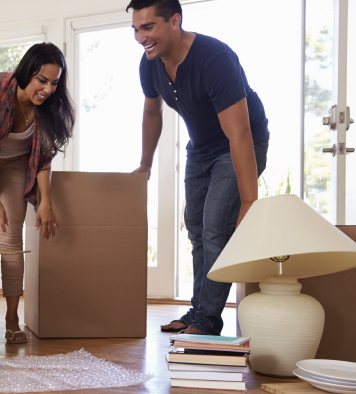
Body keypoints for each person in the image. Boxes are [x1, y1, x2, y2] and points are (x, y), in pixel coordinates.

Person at [127, 0, 269, 335]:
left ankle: (208, 320)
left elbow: (241, 132)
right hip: (201, 148)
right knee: (195, 228)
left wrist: (249, 202)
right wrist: (144, 165)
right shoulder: (150, 64)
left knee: (216, 227)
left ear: (175, 21)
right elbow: (151, 113)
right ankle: (197, 311)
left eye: (148, 27)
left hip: (241, 144)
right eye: (135, 29)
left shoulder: (214, 59)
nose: (140, 37)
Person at [0, 43, 75, 344]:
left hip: (15, 165)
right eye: (41, 80)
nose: (48, 89)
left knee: (10, 240)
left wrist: (46, 202)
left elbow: (44, 159)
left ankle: (11, 316)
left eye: (54, 82)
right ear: (26, 73)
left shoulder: (50, 105)